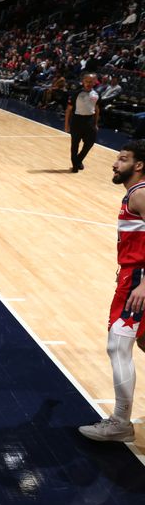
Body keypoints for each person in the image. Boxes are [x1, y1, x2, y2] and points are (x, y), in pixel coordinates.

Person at [79, 140, 145, 443]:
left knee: (117, 347)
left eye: (122, 159)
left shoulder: (140, 194)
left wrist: (144, 284)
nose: (114, 163)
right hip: (133, 276)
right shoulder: (135, 194)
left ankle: (120, 422)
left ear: (138, 165)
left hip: (138, 279)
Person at [65, 73, 100, 173]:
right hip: (77, 120)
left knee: (90, 143)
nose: (89, 83)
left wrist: (96, 123)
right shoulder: (76, 93)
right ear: (83, 81)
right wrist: (66, 125)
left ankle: (78, 160)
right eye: (87, 81)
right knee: (75, 144)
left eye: (91, 82)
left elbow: (97, 109)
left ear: (95, 82)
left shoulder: (97, 94)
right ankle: (75, 165)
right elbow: (68, 110)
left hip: (90, 120)